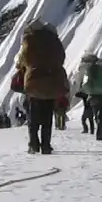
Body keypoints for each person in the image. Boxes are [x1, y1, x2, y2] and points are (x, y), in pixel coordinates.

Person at [14, 20, 67, 155]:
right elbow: (61, 58)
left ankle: (33, 144)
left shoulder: (29, 41)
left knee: (33, 118)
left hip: (34, 84)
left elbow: (21, 60)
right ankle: (46, 145)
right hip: (51, 83)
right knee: (47, 118)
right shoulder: (54, 42)